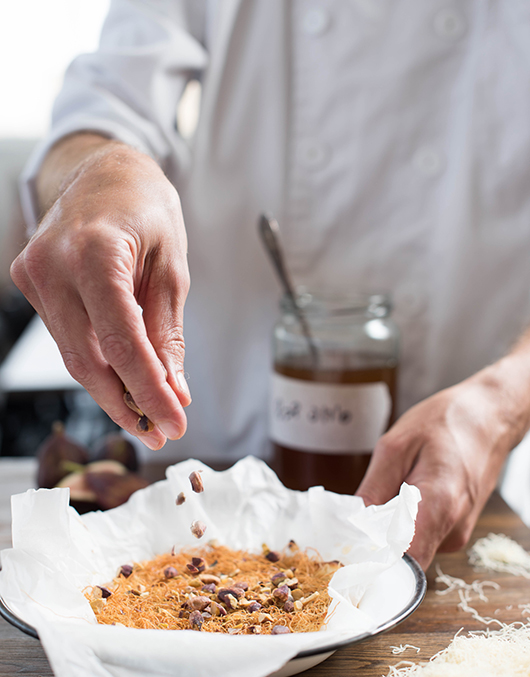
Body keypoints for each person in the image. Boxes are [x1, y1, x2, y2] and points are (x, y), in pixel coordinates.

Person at [10, 0, 530, 569]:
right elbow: (103, 103)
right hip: (190, 474)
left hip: (442, 495)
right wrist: (100, 173)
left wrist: (504, 400)